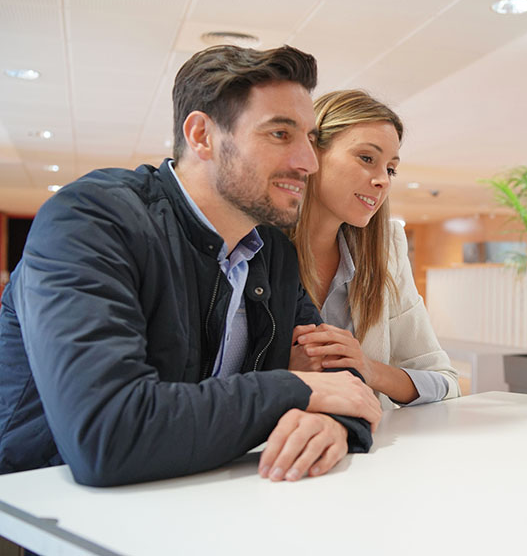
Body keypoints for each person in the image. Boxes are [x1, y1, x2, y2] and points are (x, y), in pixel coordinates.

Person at [0, 45, 383, 487]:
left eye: (310, 139)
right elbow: (107, 436)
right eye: (280, 134)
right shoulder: (91, 221)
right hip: (46, 513)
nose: (308, 163)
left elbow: (340, 379)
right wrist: (295, 391)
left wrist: (331, 424)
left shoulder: (272, 250)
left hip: (203, 503)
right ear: (201, 135)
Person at [288, 90, 460, 408]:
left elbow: (444, 381)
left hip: (369, 449)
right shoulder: (252, 244)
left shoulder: (386, 249)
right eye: (367, 158)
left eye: (390, 169)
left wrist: (369, 370)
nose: (383, 180)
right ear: (312, 152)